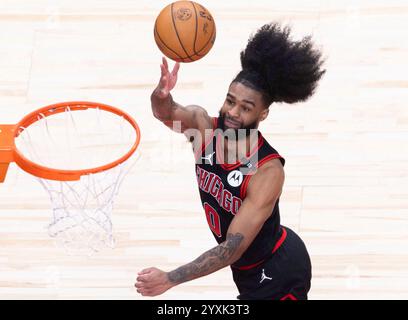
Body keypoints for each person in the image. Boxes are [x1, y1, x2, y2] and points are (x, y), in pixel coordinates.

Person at [135, 22, 325, 300]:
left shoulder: (267, 171)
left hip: (276, 272)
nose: (233, 112)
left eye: (246, 108)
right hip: (246, 271)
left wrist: (170, 278)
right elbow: (165, 113)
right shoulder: (202, 128)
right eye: (230, 100)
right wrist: (161, 94)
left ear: (263, 114)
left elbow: (231, 248)